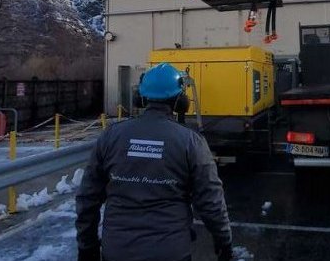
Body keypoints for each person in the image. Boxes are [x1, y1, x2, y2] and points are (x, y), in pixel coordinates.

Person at [76, 63, 233, 261]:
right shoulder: (190, 141)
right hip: (171, 251)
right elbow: (211, 200)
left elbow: (87, 197)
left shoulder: (111, 136)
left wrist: (86, 246)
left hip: (117, 250)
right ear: (179, 101)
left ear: (140, 98)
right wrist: (224, 241)